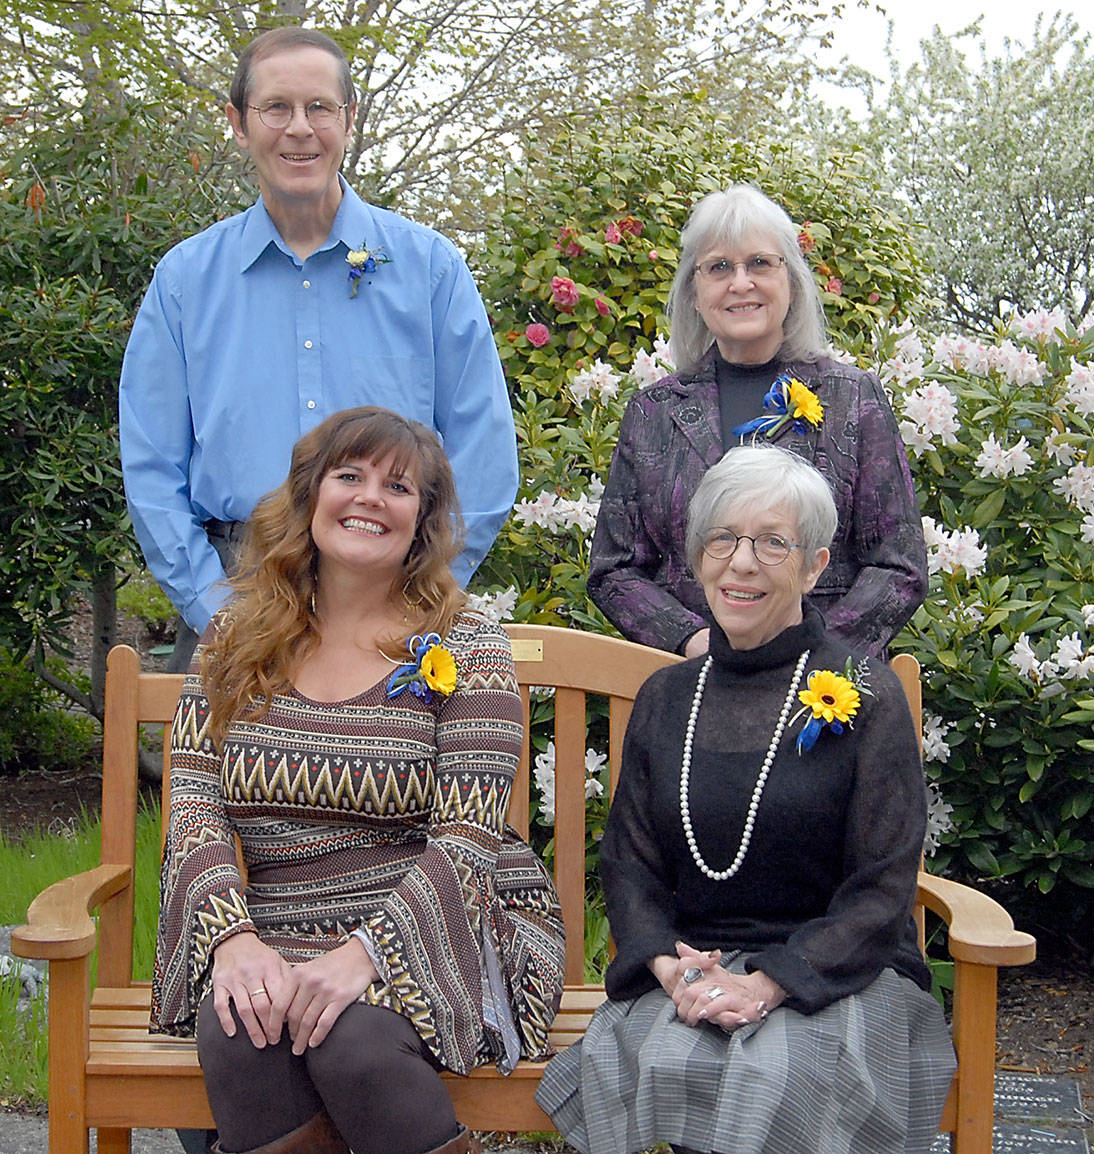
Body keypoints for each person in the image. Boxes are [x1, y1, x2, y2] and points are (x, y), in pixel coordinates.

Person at [152, 407, 565, 1154]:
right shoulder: (233, 639)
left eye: (398, 486)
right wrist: (231, 940)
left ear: (423, 522)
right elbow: (193, 811)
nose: (370, 497)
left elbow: (468, 838)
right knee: (239, 1023)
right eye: (349, 476)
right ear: (310, 497)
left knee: (353, 1039)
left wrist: (366, 956)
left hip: (449, 921)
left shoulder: (468, 643)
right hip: (276, 923)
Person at [536, 444, 955, 1154]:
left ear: (816, 565)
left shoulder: (866, 694)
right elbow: (630, 863)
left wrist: (769, 984)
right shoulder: (667, 698)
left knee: (780, 1071)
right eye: (723, 539)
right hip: (696, 969)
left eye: (772, 542)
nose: (742, 562)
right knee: (670, 1056)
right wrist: (669, 967)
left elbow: (882, 890)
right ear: (699, 557)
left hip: (838, 973)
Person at [119, 27, 518, 672]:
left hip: (396, 601)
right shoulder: (187, 281)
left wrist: (423, 593)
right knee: (217, 776)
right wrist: (210, 607)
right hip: (237, 588)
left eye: (319, 107)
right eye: (276, 107)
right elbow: (151, 464)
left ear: (348, 120)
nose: (298, 128)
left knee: (388, 778)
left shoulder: (429, 269)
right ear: (238, 124)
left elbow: (485, 451)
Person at [588, 183, 925, 659]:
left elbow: (898, 566)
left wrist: (810, 651)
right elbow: (613, 569)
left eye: (760, 263)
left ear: (792, 281)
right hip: (696, 684)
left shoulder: (853, 398)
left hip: (826, 693)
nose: (740, 282)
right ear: (695, 292)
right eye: (719, 267)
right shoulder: (653, 413)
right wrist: (693, 641)